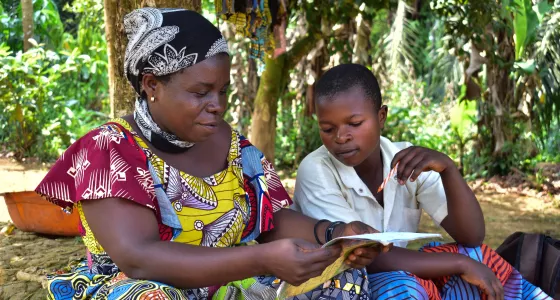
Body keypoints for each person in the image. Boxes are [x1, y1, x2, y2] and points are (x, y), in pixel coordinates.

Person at [35, 9, 384, 300]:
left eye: (221, 91)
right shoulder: (108, 149)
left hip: (231, 281)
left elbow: (269, 219)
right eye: (201, 92)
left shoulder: (231, 143)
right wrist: (261, 260)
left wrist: (334, 233)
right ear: (151, 84)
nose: (216, 106)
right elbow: (140, 259)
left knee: (342, 281)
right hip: (142, 286)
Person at [293, 63, 553, 299]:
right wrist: (459, 264)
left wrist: (449, 170)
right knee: (404, 286)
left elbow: (471, 236)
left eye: (355, 123)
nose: (341, 137)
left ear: (381, 117)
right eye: (328, 129)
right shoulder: (316, 170)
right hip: (339, 284)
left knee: (478, 256)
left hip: (397, 272)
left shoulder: (406, 159)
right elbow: (366, 257)